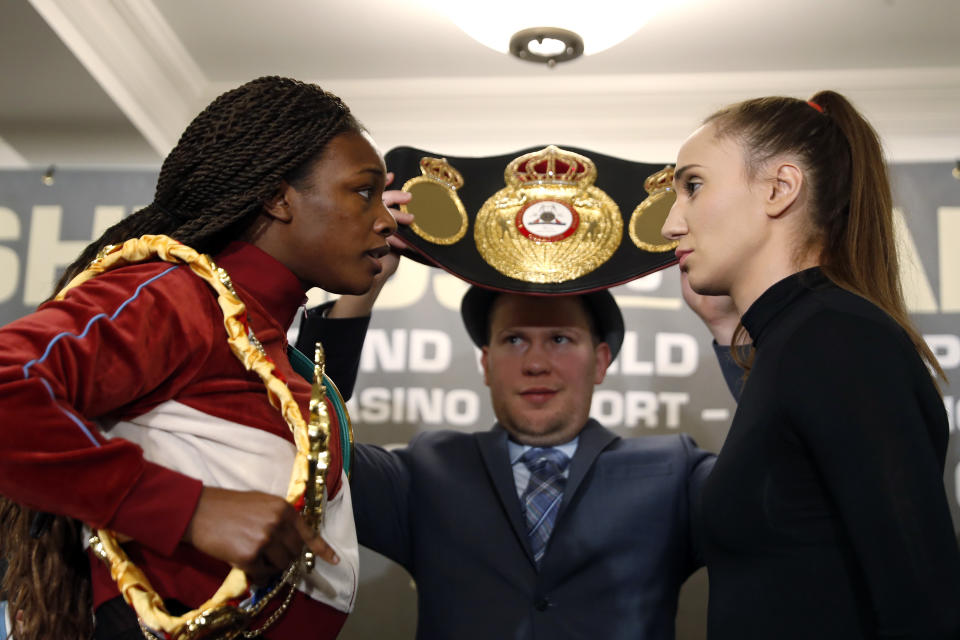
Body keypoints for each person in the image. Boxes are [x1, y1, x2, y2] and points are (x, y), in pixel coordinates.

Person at [0, 76, 399, 640]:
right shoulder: (177, 293)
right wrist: (189, 510)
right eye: (363, 192)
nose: (383, 218)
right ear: (277, 196)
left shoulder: (264, 340)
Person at [661, 90, 960, 638]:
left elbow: (924, 599)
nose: (670, 224)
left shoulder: (837, 337)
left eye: (693, 186)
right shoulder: (800, 338)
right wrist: (730, 331)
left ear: (780, 188)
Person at [299, 255, 717, 639]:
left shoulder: (674, 472)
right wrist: (362, 290)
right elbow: (301, 437)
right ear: (485, 363)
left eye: (560, 339)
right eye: (514, 340)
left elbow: (778, 480)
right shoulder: (428, 472)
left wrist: (729, 329)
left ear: (601, 361)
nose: (536, 363)